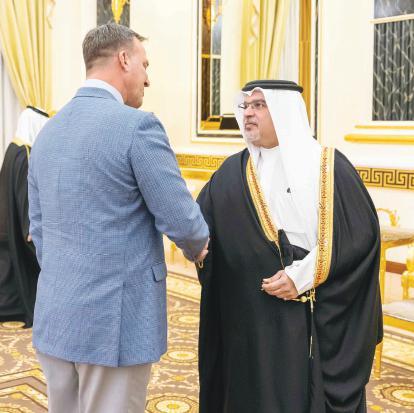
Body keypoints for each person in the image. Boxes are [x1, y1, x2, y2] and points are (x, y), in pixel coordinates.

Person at [28, 23, 209, 413]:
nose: (148, 78)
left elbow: (38, 229)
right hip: (113, 323)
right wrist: (199, 246)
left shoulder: (47, 132)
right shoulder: (137, 126)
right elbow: (182, 219)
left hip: (56, 316)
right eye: (145, 64)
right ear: (124, 59)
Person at [196, 79, 382, 413]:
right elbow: (200, 225)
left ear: (285, 111)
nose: (248, 113)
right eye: (246, 106)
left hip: (302, 316)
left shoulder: (327, 167)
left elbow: (359, 238)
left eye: (259, 105)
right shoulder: (233, 171)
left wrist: (302, 276)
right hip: (246, 319)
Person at [0, 106, 49, 327]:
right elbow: (25, 196)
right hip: (19, 226)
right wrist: (31, 229)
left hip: (7, 222)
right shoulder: (25, 153)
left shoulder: (13, 148)